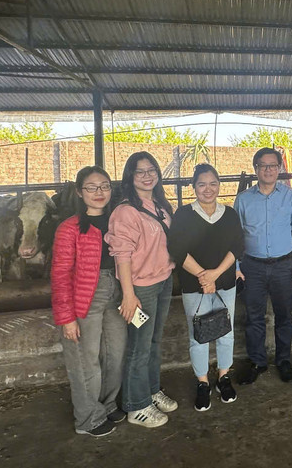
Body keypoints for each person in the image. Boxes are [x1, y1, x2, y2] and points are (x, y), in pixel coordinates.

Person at [51, 166, 127, 437]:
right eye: (92, 187)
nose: (99, 192)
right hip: (85, 299)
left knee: (115, 355)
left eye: (104, 186)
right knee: (86, 360)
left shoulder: (119, 221)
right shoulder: (69, 228)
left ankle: (106, 405)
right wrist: (66, 318)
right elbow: (59, 275)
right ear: (79, 192)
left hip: (117, 294)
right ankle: (87, 419)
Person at [106, 151, 177, 428]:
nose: (147, 175)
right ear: (130, 177)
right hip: (141, 287)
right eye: (140, 171)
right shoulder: (125, 211)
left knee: (154, 342)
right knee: (139, 347)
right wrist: (128, 294)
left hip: (163, 280)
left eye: (151, 170)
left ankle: (150, 389)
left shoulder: (158, 204)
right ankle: (136, 407)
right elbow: (121, 254)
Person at [167, 164, 244, 412]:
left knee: (226, 331)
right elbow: (177, 250)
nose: (207, 189)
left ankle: (223, 376)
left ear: (219, 185)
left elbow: (237, 246)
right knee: (198, 334)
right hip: (194, 285)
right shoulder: (183, 215)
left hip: (225, 282)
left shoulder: (230, 214)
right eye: (201, 184)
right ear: (194, 187)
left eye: (212, 183)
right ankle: (202, 382)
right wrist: (203, 276)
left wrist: (215, 275)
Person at [234, 147, 292, 385]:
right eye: (263, 166)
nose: (268, 170)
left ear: (280, 168)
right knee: (254, 317)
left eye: (273, 165)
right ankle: (257, 361)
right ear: (255, 169)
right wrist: (236, 266)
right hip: (252, 267)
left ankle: (283, 360)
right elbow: (236, 236)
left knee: (283, 316)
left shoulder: (291, 197)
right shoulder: (243, 199)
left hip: (282, 266)